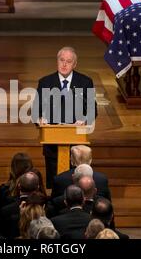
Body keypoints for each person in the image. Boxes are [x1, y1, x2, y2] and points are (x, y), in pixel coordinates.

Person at [34, 46, 97, 188]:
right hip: (52, 146)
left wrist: (85, 120)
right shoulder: (45, 82)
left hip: (77, 145)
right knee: (54, 184)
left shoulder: (85, 82)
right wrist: (40, 120)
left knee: (76, 186)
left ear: (74, 64)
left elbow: (93, 109)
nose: (64, 64)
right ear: (57, 61)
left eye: (68, 61)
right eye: (61, 60)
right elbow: (36, 110)